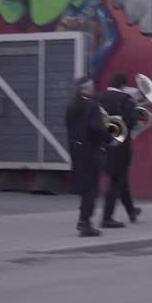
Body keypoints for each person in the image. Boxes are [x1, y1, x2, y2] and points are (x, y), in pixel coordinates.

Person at [66, 76, 109, 237]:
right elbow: (97, 127)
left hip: (77, 153)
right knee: (92, 190)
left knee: (85, 189)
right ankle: (85, 223)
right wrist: (110, 139)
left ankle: (82, 221)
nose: (93, 88)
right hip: (92, 153)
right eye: (91, 86)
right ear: (86, 89)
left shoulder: (71, 107)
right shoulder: (92, 106)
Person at [98, 72, 141, 228]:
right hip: (121, 144)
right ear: (123, 86)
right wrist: (136, 106)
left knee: (121, 179)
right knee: (116, 180)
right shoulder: (126, 99)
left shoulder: (100, 97)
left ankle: (131, 211)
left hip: (105, 143)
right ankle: (106, 217)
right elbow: (132, 122)